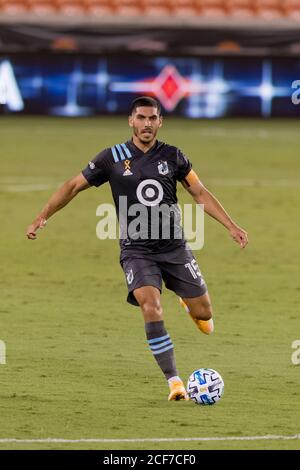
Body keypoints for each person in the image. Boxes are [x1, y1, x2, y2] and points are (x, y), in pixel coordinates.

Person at [26, 96, 248, 401]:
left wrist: (231, 225)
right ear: (131, 121)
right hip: (137, 250)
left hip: (174, 248)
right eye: (141, 118)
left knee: (205, 314)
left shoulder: (173, 156)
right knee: (150, 305)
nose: (146, 124)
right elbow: (72, 186)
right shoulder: (112, 157)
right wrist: (43, 216)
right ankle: (174, 382)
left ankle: (184, 298)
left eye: (152, 118)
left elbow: (199, 192)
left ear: (160, 122)